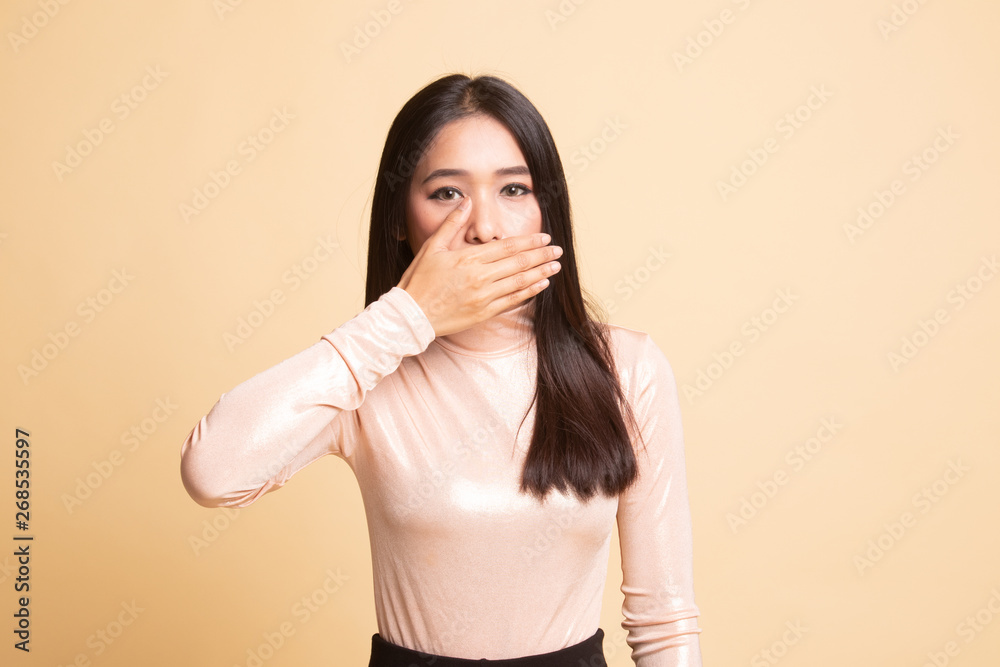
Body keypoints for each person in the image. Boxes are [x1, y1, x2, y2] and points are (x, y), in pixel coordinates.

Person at [179, 73, 703, 667]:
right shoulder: (365, 376)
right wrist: (406, 316)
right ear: (400, 220)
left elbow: (665, 618)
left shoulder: (627, 369)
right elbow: (213, 474)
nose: (485, 228)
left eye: (514, 189)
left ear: (547, 210)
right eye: (447, 193)